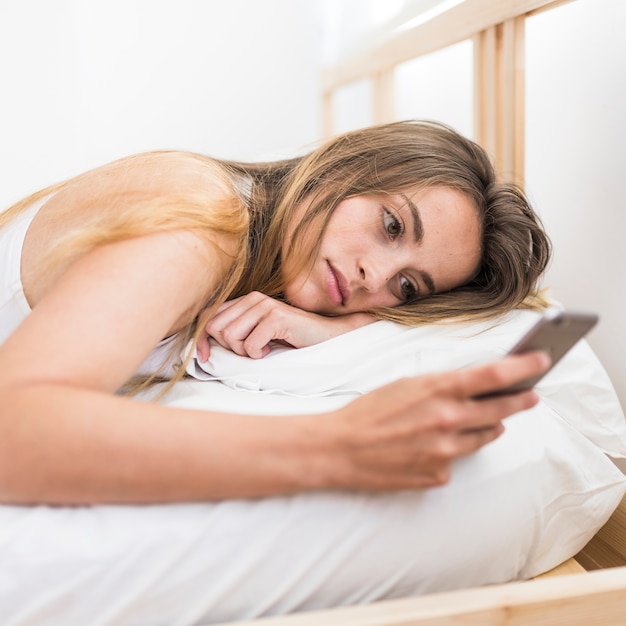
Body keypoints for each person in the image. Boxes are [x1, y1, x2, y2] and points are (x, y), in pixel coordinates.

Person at [0, 120, 552, 505]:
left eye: (407, 287)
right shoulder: (204, 221)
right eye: (391, 226)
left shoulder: (259, 262)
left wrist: (345, 328)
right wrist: (339, 447)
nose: (375, 277)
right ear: (344, 169)